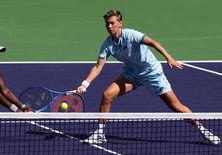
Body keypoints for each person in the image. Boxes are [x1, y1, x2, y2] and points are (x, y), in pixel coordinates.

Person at [76, 10, 220, 145]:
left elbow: (153, 43)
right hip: (132, 74)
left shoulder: (131, 35)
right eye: (107, 23)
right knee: (107, 95)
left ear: (120, 23)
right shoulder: (107, 45)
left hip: (152, 73)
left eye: (112, 23)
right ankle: (100, 133)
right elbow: (98, 67)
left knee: (176, 107)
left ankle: (203, 129)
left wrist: (169, 58)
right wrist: (85, 84)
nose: (109, 26)